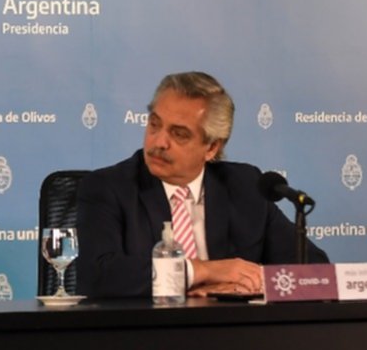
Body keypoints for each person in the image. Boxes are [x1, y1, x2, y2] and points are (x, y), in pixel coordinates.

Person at [76, 71, 328, 298]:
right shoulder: (109, 187)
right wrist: (203, 271)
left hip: (233, 330)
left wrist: (251, 282)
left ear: (211, 148)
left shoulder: (245, 186)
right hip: (147, 330)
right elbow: (97, 275)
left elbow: (316, 271)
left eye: (179, 134)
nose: (159, 142)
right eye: (154, 124)